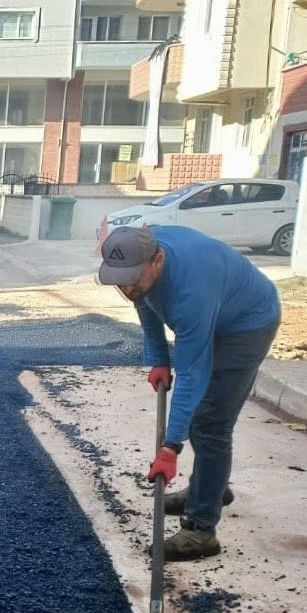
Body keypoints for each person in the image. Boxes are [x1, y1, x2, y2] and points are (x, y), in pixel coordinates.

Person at [97, 225, 281, 561]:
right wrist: (158, 357)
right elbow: (143, 300)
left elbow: (192, 374)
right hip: (218, 309)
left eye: (132, 278)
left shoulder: (191, 293)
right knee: (202, 419)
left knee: (210, 424)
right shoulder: (139, 260)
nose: (126, 286)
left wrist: (171, 447)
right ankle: (209, 488)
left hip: (246, 326)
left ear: (159, 260)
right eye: (118, 279)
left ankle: (201, 529)